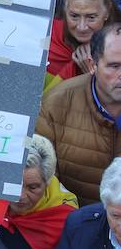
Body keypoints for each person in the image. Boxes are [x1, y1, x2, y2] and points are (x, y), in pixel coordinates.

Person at [38, 24, 121, 203]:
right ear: (92, 64)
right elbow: (42, 182)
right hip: (75, 222)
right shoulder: (56, 104)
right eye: (114, 66)